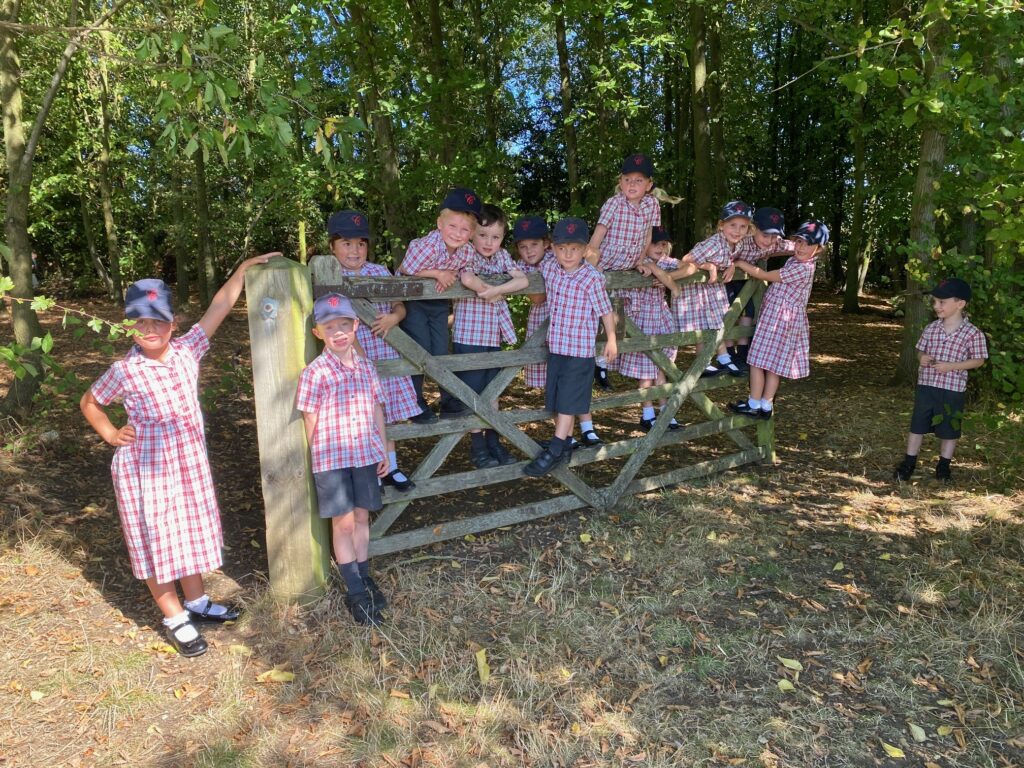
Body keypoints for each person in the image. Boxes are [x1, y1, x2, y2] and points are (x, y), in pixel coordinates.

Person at [80, 254, 277, 657]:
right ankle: (174, 617)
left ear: (173, 324)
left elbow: (220, 306)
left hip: (188, 466)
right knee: (158, 540)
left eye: (158, 321)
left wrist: (240, 271)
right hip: (145, 470)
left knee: (187, 532)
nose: (149, 329)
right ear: (129, 327)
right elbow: (90, 402)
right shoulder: (125, 370)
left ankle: (197, 601)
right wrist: (111, 432)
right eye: (140, 323)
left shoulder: (188, 350)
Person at [295, 293, 389, 626]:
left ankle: (364, 575)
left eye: (344, 325)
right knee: (344, 523)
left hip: (365, 452)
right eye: (329, 326)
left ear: (355, 326)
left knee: (362, 517)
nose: (338, 332)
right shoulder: (315, 372)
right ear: (318, 332)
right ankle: (354, 589)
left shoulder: (365, 367)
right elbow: (310, 418)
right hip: (333, 459)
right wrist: (319, 458)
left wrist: (384, 448)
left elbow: (377, 407)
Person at [327, 209, 419, 492]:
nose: (355, 250)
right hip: (354, 355)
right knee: (362, 414)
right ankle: (369, 470)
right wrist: (358, 356)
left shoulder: (379, 271)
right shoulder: (330, 275)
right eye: (347, 244)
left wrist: (394, 317)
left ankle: (391, 465)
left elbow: (399, 306)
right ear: (332, 246)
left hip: (385, 351)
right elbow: (334, 321)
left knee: (387, 412)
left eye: (361, 243)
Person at [524, 218, 617, 477]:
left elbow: (605, 311)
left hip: (580, 350)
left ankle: (554, 450)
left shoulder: (591, 278)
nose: (568, 253)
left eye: (574, 248)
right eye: (562, 247)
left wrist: (611, 339)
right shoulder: (550, 267)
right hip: (557, 347)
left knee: (568, 400)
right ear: (553, 248)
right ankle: (564, 443)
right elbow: (529, 261)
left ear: (585, 250)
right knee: (555, 396)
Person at [728, 221, 829, 420]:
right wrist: (765, 253)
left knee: (757, 362)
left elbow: (765, 274)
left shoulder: (803, 268)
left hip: (779, 321)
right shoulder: (798, 261)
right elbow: (777, 250)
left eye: (807, 244)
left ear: (818, 249)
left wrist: (740, 263)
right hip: (782, 319)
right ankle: (765, 406)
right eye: (798, 242)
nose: (800, 247)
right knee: (773, 367)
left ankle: (754, 403)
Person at [398, 187, 481, 422]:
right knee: (419, 348)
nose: (457, 233)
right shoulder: (425, 245)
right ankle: (414, 402)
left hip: (438, 303)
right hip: (414, 302)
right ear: (439, 224)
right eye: (452, 226)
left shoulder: (467, 251)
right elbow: (407, 269)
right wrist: (438, 273)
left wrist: (473, 281)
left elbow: (467, 269)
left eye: (465, 229)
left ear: (472, 233)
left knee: (441, 350)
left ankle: (448, 400)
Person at [893, 278, 988, 482]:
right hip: (927, 385)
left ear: (960, 304)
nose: (936, 306)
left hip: (952, 389)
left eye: (942, 302)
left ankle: (943, 467)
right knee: (917, 425)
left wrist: (951, 367)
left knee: (949, 429)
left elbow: (979, 360)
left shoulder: (973, 334)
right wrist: (922, 358)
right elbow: (920, 351)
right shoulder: (931, 328)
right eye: (935, 302)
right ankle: (909, 463)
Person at [455, 204, 528, 467]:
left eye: (495, 237)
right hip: (469, 335)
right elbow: (465, 277)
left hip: (492, 336)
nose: (489, 242)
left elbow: (523, 281)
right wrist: (488, 288)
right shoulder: (465, 253)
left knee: (493, 391)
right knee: (475, 392)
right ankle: (478, 447)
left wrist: (498, 291)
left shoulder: (502, 258)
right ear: (473, 234)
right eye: (483, 235)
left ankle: (493, 439)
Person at [668, 200, 753, 377]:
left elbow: (730, 258)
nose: (737, 231)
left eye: (743, 227)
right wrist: (709, 266)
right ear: (721, 226)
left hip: (712, 291)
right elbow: (686, 259)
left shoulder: (739, 244)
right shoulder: (714, 243)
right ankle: (716, 360)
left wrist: (732, 265)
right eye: (732, 225)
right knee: (703, 324)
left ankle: (710, 360)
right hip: (696, 291)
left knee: (714, 323)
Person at [725, 207, 795, 371]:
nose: (769, 240)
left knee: (748, 312)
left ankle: (743, 351)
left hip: (745, 284)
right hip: (725, 281)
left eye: (774, 236)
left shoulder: (773, 244)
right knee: (727, 314)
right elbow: (722, 253)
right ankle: (728, 354)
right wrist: (730, 264)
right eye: (765, 235)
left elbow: (794, 247)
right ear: (753, 229)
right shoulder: (740, 241)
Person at [632, 226, 682, 431]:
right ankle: (647, 414)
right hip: (642, 322)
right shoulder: (636, 262)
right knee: (646, 371)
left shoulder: (664, 263)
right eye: (654, 243)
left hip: (661, 320)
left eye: (662, 243)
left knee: (661, 367)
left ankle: (665, 411)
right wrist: (652, 269)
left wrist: (661, 273)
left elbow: (691, 267)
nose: (659, 247)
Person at [512, 215, 552, 391]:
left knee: (561, 372)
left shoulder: (557, 257)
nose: (529, 251)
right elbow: (537, 298)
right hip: (540, 321)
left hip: (562, 323)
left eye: (534, 244)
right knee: (543, 368)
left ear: (546, 243)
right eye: (523, 247)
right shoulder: (522, 266)